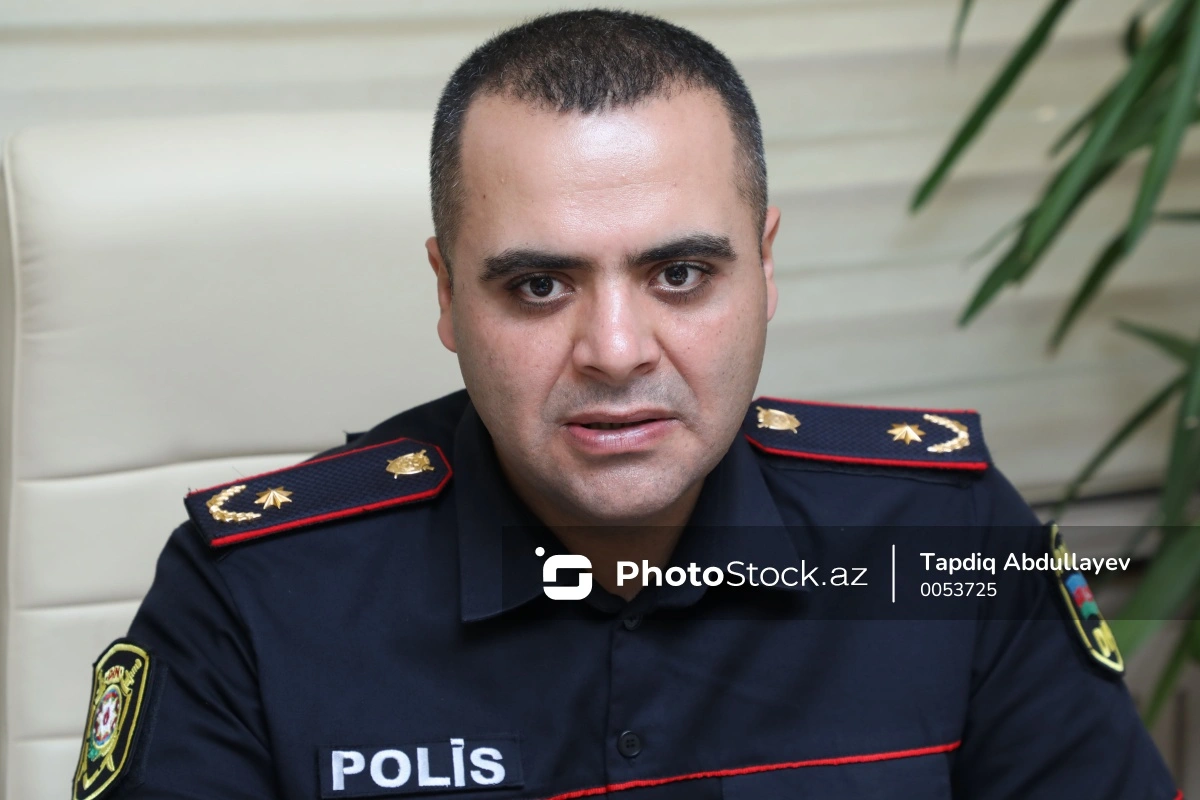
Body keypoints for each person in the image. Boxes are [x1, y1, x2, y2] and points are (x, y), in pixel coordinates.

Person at [71, 9, 1179, 800]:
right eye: (537, 285)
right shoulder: (253, 595)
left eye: (680, 274)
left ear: (766, 268)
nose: (613, 351)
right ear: (447, 294)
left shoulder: (943, 534)